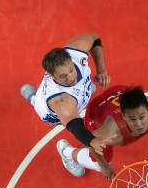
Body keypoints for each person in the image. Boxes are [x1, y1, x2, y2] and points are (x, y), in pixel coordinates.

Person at [20, 32, 112, 173]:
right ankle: (66, 153)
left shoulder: (75, 50)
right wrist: (92, 141)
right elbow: (75, 125)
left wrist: (101, 69)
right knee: (100, 157)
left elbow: (95, 39)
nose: (71, 78)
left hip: (75, 96)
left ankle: (82, 90)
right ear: (52, 76)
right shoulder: (62, 101)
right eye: (63, 76)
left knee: (82, 89)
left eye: (71, 70)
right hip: (55, 113)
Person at [56, 85, 148, 178]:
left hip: (121, 92)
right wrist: (105, 166)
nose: (139, 124)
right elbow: (92, 143)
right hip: (97, 112)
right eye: (133, 119)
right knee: (101, 161)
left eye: (142, 116)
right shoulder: (111, 133)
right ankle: (67, 152)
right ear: (124, 116)